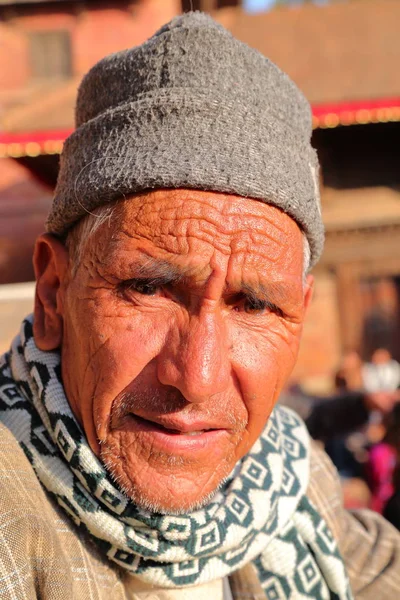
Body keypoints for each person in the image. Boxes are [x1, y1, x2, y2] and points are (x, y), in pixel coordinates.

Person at [0, 12, 399, 600]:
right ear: (55, 292)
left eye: (257, 304)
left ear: (302, 313)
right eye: (149, 288)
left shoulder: (293, 483)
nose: (197, 377)